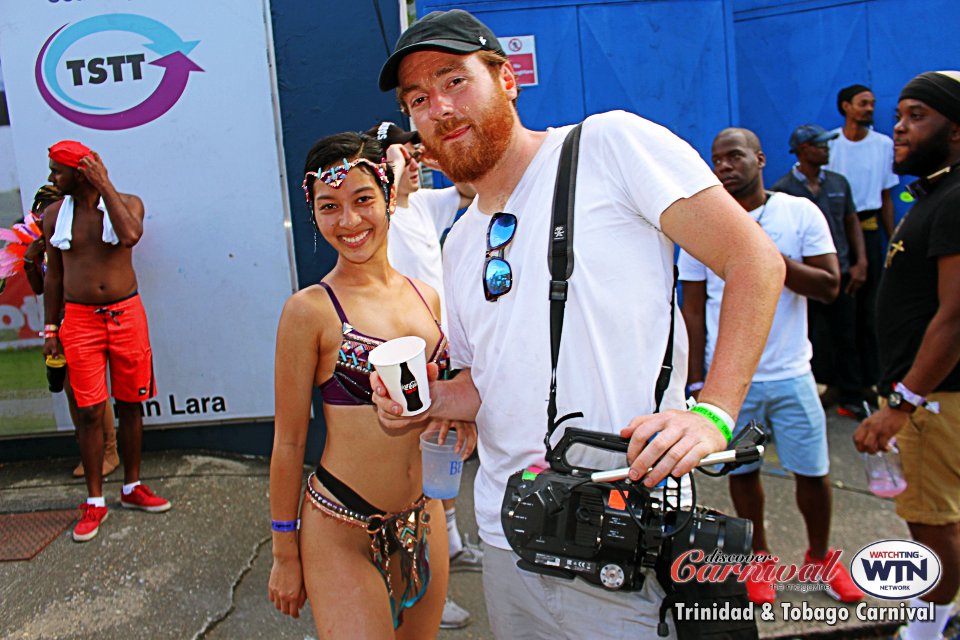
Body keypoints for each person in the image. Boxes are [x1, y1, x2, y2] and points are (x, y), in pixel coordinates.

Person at [372, 10, 785, 638]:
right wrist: (423, 402)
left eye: (455, 81)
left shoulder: (607, 147)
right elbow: (491, 384)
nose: (440, 109)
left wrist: (713, 412)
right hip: (508, 538)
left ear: (506, 78)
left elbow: (753, 260)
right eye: (419, 99)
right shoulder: (458, 244)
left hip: (618, 535)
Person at [267, 131, 478, 638]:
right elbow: (290, 441)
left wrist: (459, 423)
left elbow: (449, 394)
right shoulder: (309, 312)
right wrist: (283, 552)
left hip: (422, 518)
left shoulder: (427, 297)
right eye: (329, 206)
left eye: (363, 200)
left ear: (389, 198)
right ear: (313, 216)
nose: (350, 221)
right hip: (340, 525)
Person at [683, 127, 863, 605]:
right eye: (717, 159)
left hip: (792, 373)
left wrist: (766, 257)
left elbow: (829, 285)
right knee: (742, 476)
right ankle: (758, 558)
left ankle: (820, 559)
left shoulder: (798, 211)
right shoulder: (705, 223)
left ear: (760, 159)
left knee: (814, 473)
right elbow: (694, 309)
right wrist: (697, 379)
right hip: (730, 382)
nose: (724, 166)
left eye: (735, 156)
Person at [854, 70, 960, 640]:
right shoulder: (938, 195)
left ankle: (923, 634)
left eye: (917, 116)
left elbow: (957, 317)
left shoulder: (955, 198)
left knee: (933, 528)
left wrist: (903, 402)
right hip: (934, 397)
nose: (898, 126)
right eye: (899, 114)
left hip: (935, 401)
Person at [365, 121, 481, 631]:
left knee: (441, 454)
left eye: (413, 154)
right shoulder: (382, 212)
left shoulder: (425, 206)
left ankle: (449, 546)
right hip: (398, 357)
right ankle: (418, 586)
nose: (410, 163)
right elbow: (378, 213)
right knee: (409, 479)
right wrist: (389, 169)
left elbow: (471, 187)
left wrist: (433, 153)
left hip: (441, 352)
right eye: (401, 156)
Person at [41, 140, 168, 543]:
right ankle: (94, 501)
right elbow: (54, 278)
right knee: (91, 412)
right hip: (79, 321)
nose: (50, 178)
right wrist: (50, 331)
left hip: (126, 315)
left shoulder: (127, 203)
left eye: (57, 171)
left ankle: (132, 488)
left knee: (131, 404)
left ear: (81, 173)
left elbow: (129, 234)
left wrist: (104, 185)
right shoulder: (54, 216)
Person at [22, 184, 120, 478]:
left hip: (85, 320)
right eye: (39, 219)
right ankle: (88, 450)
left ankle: (110, 451)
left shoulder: (76, 238)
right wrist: (30, 260)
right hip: (61, 325)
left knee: (91, 390)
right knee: (71, 391)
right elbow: (41, 287)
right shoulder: (48, 243)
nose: (43, 223)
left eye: (46, 217)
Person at [771, 124, 868, 414]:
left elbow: (852, 222)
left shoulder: (839, 183)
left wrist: (860, 262)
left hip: (840, 274)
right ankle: (812, 396)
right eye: (820, 145)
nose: (826, 149)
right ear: (802, 150)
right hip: (802, 282)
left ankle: (850, 395)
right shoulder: (783, 190)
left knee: (847, 335)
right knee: (810, 338)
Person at [826, 84, 901, 418]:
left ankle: (873, 381)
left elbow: (886, 196)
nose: (870, 108)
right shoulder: (829, 144)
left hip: (869, 233)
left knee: (871, 313)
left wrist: (892, 241)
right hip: (834, 236)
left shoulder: (883, 145)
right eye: (863, 103)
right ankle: (843, 384)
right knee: (841, 316)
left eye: (872, 103)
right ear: (846, 107)